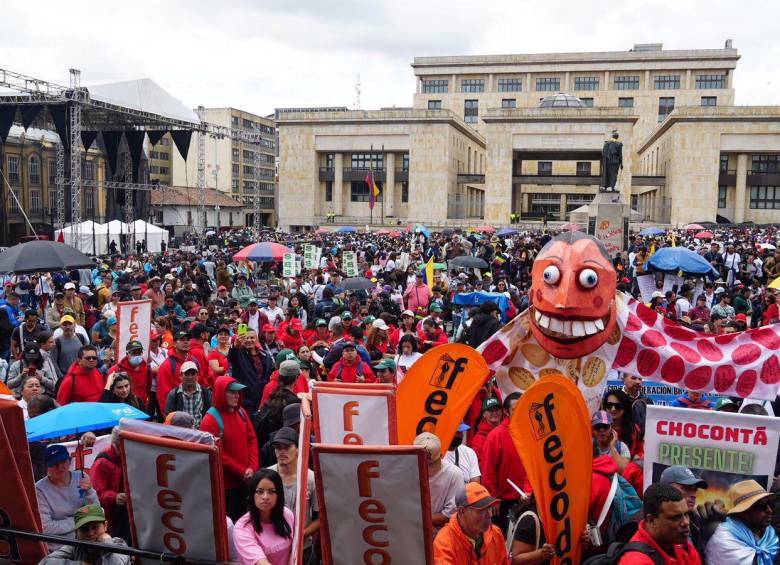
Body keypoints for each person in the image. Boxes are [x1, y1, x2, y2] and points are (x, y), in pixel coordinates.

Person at [200, 376, 259, 521]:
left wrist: (252, 467)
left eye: (238, 392)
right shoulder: (210, 420)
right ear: (221, 393)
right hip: (226, 486)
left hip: (246, 480)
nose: (237, 396)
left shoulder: (241, 412)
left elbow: (251, 439)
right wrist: (243, 471)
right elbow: (218, 454)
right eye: (232, 392)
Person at [267, 427, 320, 562]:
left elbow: (320, 518)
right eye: (278, 447)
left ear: (298, 449)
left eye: (286, 447)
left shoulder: (311, 478)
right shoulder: (267, 476)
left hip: (302, 549)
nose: (282, 451)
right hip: (272, 549)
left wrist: (301, 535)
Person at [482, 392, 531, 534]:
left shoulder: (531, 433)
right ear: (506, 412)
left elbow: (533, 467)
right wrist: (492, 498)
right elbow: (488, 470)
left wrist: (529, 491)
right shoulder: (496, 435)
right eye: (516, 409)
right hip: (503, 502)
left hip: (528, 500)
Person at [617, 483, 702, 564]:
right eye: (675, 517)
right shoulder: (635, 561)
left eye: (686, 514)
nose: (686, 522)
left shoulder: (685, 547)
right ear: (651, 520)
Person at [36, 444, 100, 549]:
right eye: (54, 464)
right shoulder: (39, 489)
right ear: (46, 467)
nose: (59, 467)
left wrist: (89, 492)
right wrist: (80, 520)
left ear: (69, 461)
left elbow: (96, 510)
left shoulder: (82, 476)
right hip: (60, 544)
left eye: (62, 461)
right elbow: (46, 527)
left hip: (89, 535)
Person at [433, 482, 509, 565]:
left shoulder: (496, 533)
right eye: (482, 510)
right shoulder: (444, 542)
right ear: (461, 511)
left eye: (490, 507)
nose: (490, 514)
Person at [705, 480, 779, 565]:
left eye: (771, 504)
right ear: (744, 511)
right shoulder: (724, 540)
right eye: (762, 505)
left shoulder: (770, 534)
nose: (769, 510)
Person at [659, 466, 724, 559]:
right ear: (666, 488)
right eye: (686, 488)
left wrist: (712, 529)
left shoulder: (695, 519)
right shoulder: (644, 521)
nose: (693, 495)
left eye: (695, 489)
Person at [233, 468, 294, 565]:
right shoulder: (242, 527)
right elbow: (261, 562)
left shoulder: (287, 514)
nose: (265, 497)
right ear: (252, 494)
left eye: (271, 491)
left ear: (279, 494)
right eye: (260, 491)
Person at [39, 504, 131, 565]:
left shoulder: (119, 543)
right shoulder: (75, 547)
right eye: (84, 530)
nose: (90, 533)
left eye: (95, 527)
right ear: (76, 533)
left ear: (105, 526)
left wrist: (106, 543)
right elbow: (44, 562)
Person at [414, 432, 465, 536]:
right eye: (422, 463)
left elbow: (450, 516)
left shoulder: (454, 474)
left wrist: (413, 516)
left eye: (431, 464)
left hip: (441, 537)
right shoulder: (405, 472)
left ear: (441, 455)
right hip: (411, 535)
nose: (426, 469)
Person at [89, 428, 130, 542]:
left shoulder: (132, 456)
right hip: (111, 515)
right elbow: (95, 493)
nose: (124, 453)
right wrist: (115, 497)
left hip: (129, 514)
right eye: (121, 449)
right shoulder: (102, 462)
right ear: (114, 445)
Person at [229, 329, 275, 413]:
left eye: (252, 338)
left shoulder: (265, 355)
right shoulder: (238, 354)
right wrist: (236, 345)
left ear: (257, 340)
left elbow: (271, 373)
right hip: (246, 401)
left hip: (264, 400)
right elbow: (231, 356)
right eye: (246, 338)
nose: (249, 340)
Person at [164, 360, 212, 426]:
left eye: (193, 374)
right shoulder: (173, 394)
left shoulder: (206, 394)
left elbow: (210, 417)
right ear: (180, 376)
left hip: (200, 433)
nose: (190, 377)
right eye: (187, 374)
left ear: (197, 376)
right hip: (181, 433)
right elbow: (168, 417)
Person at [107, 340, 151, 407]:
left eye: (139, 353)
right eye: (134, 353)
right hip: (122, 406)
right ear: (127, 354)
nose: (137, 356)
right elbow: (108, 390)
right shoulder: (116, 369)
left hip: (141, 406)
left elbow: (148, 387)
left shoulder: (147, 369)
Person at [471, 397, 503, 468]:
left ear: (502, 411)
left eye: (497, 410)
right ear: (484, 414)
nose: (494, 413)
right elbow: (479, 464)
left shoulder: (509, 430)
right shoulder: (480, 438)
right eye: (490, 410)